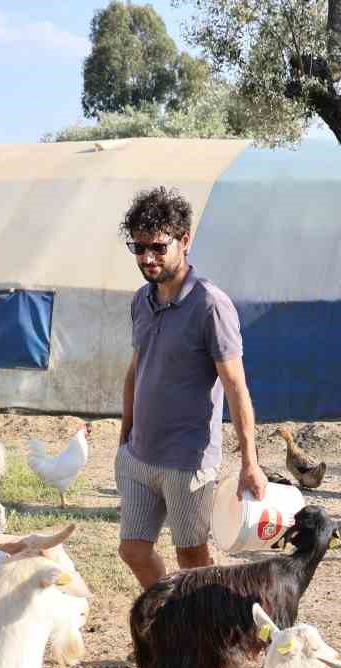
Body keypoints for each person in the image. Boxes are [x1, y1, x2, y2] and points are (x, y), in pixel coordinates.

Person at [116, 185, 265, 591]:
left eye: (158, 247)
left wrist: (250, 460)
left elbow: (236, 386)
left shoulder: (210, 305)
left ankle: (203, 637)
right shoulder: (140, 301)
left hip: (189, 461)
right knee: (133, 550)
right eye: (138, 247)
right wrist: (125, 432)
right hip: (139, 456)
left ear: (185, 240)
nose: (147, 257)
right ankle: (171, 618)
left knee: (192, 559)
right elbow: (136, 368)